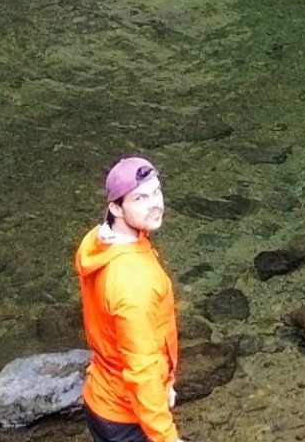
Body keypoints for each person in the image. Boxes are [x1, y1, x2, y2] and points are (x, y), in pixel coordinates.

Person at [75, 155, 180, 442]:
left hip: (101, 397)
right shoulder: (135, 283)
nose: (155, 203)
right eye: (140, 198)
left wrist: (166, 382)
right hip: (126, 420)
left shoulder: (99, 242)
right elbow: (142, 369)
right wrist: (167, 438)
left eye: (157, 191)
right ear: (116, 208)